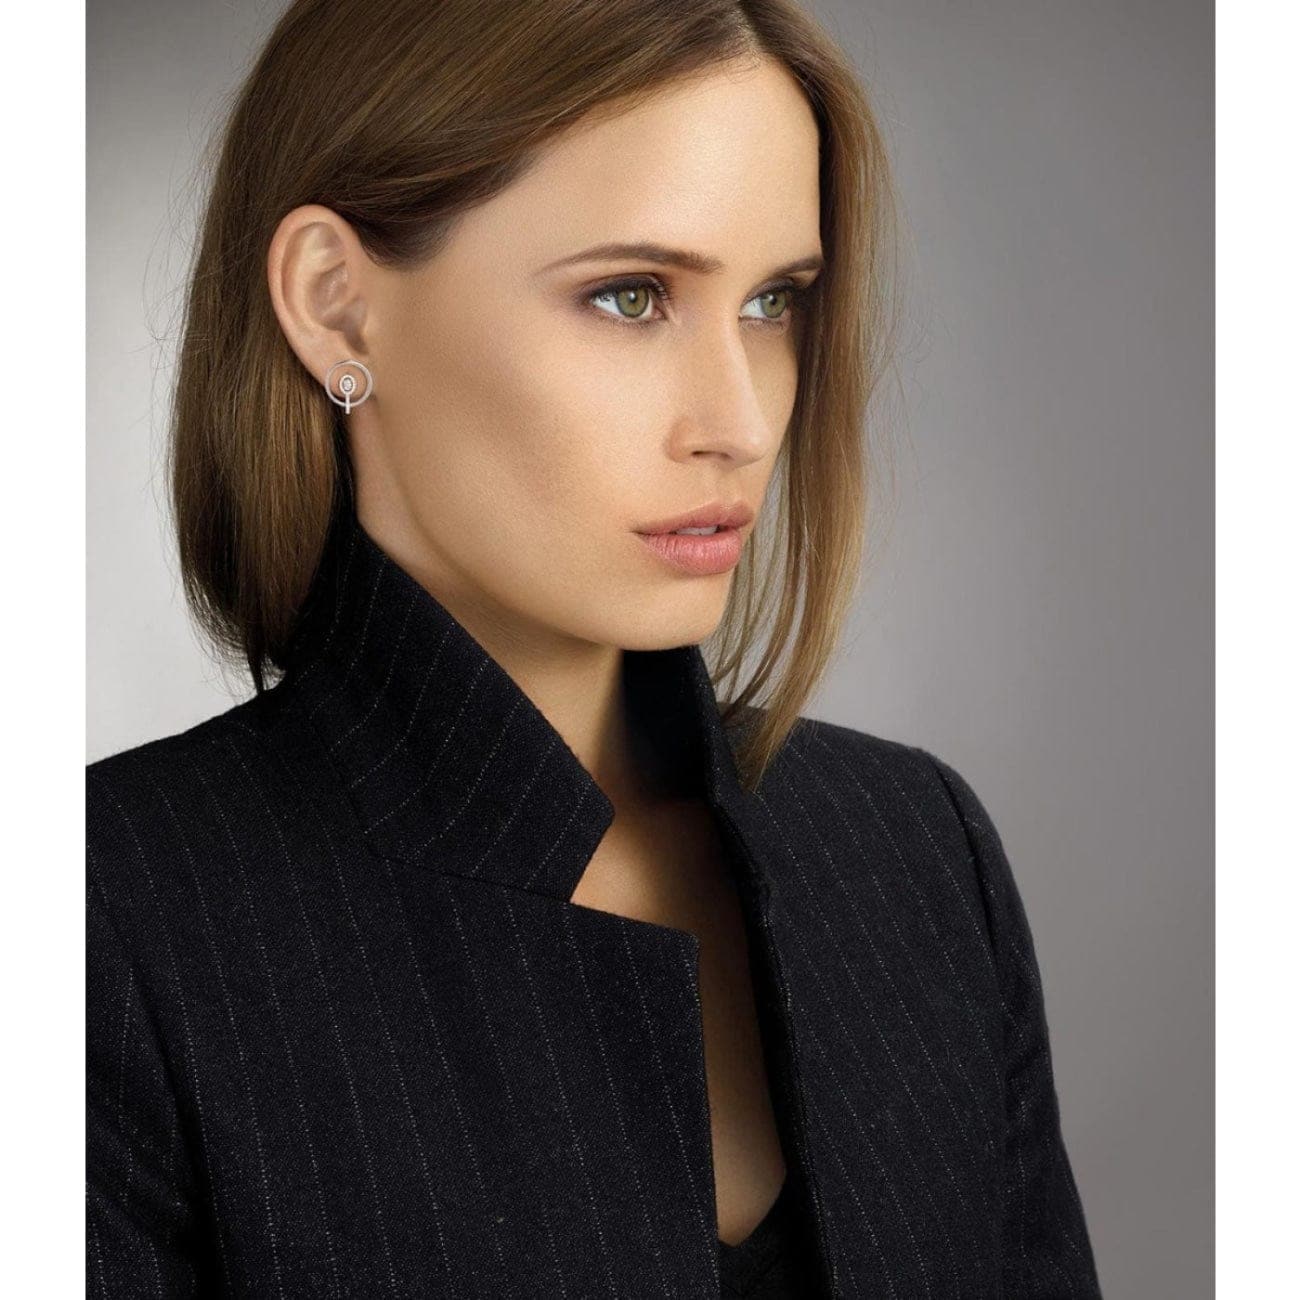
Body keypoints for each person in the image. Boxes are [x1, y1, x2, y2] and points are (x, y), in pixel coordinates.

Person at [86, 1, 1103, 1295]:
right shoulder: (102, 918)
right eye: (631, 296)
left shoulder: (914, 851)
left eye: (774, 301)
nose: (738, 423)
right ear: (337, 306)